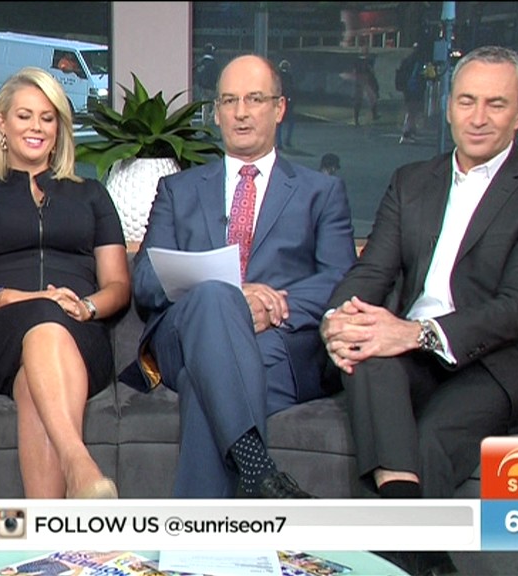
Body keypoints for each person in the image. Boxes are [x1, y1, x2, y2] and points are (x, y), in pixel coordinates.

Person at [320, 45, 518, 575]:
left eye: (495, 104)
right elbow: (372, 273)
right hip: (413, 353)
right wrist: (338, 320)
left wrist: (414, 333)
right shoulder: (412, 180)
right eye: (467, 101)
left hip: (501, 357)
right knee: (365, 352)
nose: (478, 117)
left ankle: (398, 556)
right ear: (448, 106)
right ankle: (422, 554)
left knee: (432, 438)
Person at [131, 54, 357, 498]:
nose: (240, 112)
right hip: (183, 338)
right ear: (216, 113)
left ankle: (233, 498)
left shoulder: (321, 192)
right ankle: (256, 469)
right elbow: (146, 281)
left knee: (204, 382)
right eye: (229, 100)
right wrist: (234, 297)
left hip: (277, 343)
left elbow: (340, 278)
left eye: (254, 99)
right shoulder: (177, 190)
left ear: (279, 108)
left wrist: (273, 306)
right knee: (216, 297)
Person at [0, 67, 130, 500]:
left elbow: (118, 284)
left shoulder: (92, 195)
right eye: (24, 116)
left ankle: (45, 531)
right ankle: (78, 463)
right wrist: (25, 299)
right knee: (44, 315)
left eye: (47, 117)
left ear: (59, 128)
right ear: (2, 123)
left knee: (35, 380)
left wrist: (87, 307)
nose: (36, 127)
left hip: (79, 337)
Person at [397, 43, 427, 144]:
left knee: (411, 112)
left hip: (408, 89)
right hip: (414, 89)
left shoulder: (408, 60)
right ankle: (406, 134)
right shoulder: (418, 61)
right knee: (411, 113)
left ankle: (410, 132)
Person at [351, 52, 380, 126]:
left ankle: (356, 119)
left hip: (360, 80)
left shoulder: (357, 61)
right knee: (372, 98)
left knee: (359, 99)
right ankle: (374, 115)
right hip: (367, 80)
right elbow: (371, 71)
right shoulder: (369, 61)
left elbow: (354, 71)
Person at [194, 43, 219, 127]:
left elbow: (196, 75)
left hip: (202, 88)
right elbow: (217, 76)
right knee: (218, 103)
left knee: (205, 106)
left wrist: (199, 85)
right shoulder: (214, 64)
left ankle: (205, 123)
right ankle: (210, 120)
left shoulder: (200, 62)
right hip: (212, 88)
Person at [276, 59, 296, 150]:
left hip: (282, 101)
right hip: (287, 101)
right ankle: (286, 140)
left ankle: (280, 142)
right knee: (289, 123)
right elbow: (292, 89)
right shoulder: (288, 77)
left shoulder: (279, 77)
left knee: (279, 124)